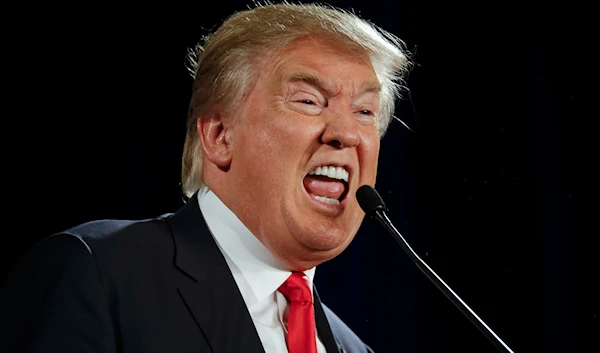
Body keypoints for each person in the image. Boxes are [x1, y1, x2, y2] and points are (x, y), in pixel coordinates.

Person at [1, 1, 412, 352]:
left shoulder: (351, 347)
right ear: (219, 136)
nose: (346, 133)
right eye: (308, 100)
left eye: (364, 112)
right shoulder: (99, 273)